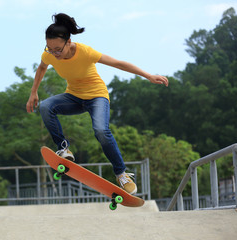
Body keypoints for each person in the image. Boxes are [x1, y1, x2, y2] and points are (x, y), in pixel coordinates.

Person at [26, 13, 168, 195]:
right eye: (50, 48)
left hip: (96, 97)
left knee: (101, 130)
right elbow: (42, 67)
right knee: (46, 106)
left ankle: (122, 174)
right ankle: (63, 148)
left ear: (68, 42)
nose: (54, 54)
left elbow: (118, 63)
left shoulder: (85, 52)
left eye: (58, 49)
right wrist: (33, 92)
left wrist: (148, 75)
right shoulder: (49, 55)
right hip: (74, 97)